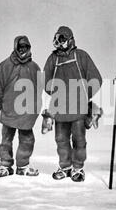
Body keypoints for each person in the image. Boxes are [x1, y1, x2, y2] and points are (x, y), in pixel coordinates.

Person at [43, 26, 102, 182]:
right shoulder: (53, 59)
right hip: (60, 110)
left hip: (78, 110)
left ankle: (78, 168)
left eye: (63, 39)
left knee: (79, 140)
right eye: (57, 39)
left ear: (70, 40)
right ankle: (65, 167)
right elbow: (46, 83)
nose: (59, 42)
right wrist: (57, 95)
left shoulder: (81, 56)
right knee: (61, 139)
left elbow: (96, 79)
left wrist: (84, 96)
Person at [0, 36, 42, 177]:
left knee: (27, 139)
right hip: (9, 110)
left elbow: (39, 89)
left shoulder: (34, 67)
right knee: (6, 139)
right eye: (20, 47)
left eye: (25, 47)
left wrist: (35, 108)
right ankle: (5, 165)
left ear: (29, 48)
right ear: (15, 47)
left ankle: (23, 165)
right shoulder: (5, 66)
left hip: (26, 112)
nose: (22, 49)